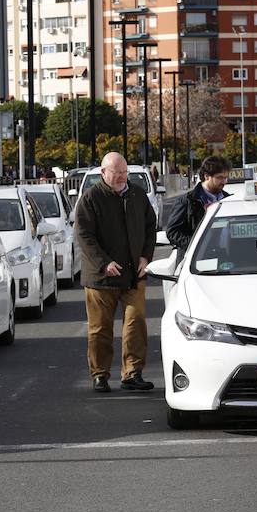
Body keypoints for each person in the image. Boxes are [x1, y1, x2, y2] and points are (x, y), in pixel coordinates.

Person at [74, 152, 156, 393]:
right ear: (103, 173)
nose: (121, 177)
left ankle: (133, 373)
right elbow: (84, 235)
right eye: (116, 173)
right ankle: (100, 374)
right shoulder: (90, 199)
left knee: (135, 324)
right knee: (100, 329)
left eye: (124, 173)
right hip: (101, 278)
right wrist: (104, 263)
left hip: (133, 275)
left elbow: (151, 226)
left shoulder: (137, 195)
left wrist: (145, 256)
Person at [166, 156, 232, 251]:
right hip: (196, 259)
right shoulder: (187, 201)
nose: (224, 182)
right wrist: (198, 246)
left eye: (226, 178)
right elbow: (173, 233)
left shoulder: (228, 200)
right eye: (220, 177)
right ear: (206, 176)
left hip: (225, 256)